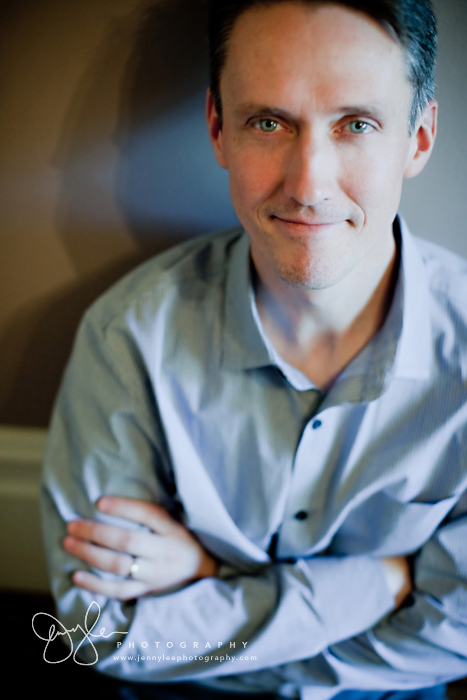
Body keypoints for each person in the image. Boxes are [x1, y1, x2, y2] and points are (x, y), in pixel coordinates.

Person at [41, 1, 467, 699]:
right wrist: (380, 583)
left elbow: (455, 634)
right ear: (218, 128)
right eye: (268, 122)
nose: (308, 186)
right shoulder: (129, 337)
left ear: (417, 139)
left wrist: (213, 577)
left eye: (356, 125)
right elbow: (99, 632)